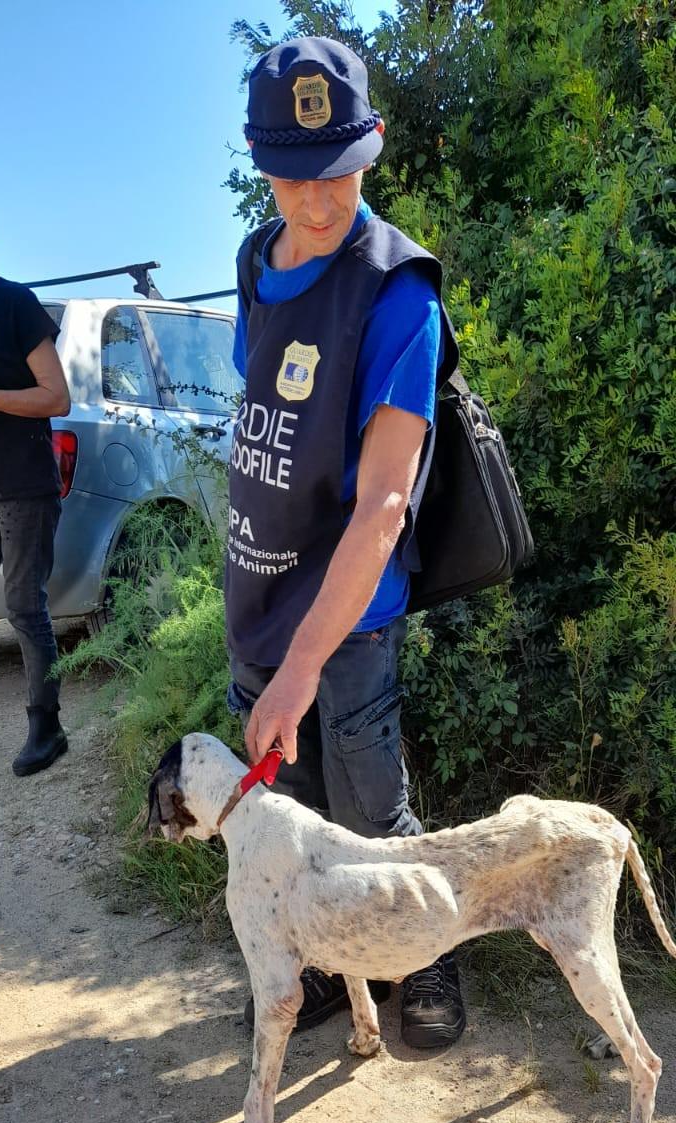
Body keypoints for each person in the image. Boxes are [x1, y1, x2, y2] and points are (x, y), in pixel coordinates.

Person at [227, 37, 466, 1051]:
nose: (318, 204)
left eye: (338, 175)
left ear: (370, 149)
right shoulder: (253, 259)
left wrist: (300, 674)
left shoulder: (398, 294)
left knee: (373, 806)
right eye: (292, 178)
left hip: (350, 618)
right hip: (256, 588)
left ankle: (426, 959)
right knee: (295, 815)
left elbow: (379, 512)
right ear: (261, 166)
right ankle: (326, 971)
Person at [0, 192, 70, 776]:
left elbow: (57, 396)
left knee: (26, 610)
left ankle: (45, 726)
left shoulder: (14, 305)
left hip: (24, 486)